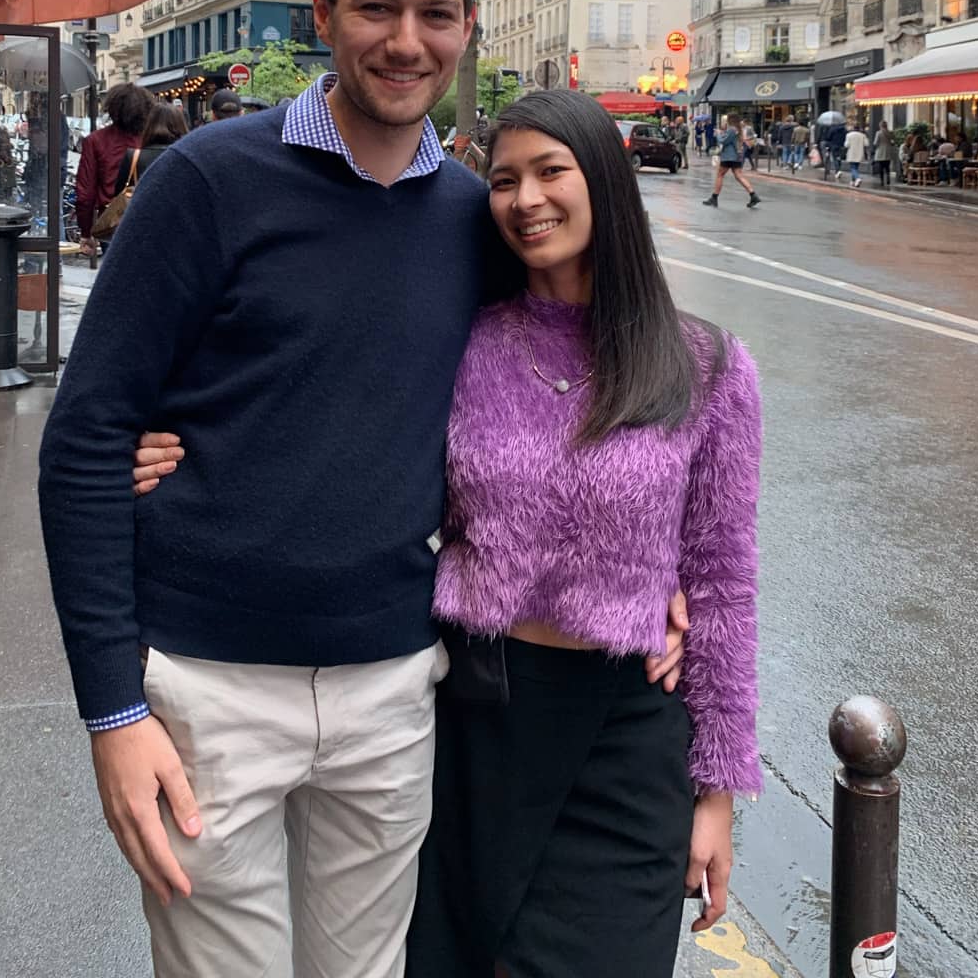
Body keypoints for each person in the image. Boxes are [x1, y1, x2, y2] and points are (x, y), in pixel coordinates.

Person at [39, 0, 694, 978]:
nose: (406, 40)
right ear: (323, 12)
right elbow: (86, 439)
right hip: (208, 683)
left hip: (394, 681)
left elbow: (579, 393)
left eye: (435, 13)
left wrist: (649, 559)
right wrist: (112, 708)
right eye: (377, 8)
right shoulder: (208, 183)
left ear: (467, 28)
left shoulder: (476, 218)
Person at [134, 92, 761, 978]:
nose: (525, 198)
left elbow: (726, 583)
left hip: (624, 734)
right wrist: (161, 436)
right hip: (475, 716)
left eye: (552, 171)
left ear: (606, 182)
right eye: (503, 179)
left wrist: (718, 792)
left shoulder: (708, 367)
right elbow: (335, 419)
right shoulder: (467, 340)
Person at [74, 83, 152, 251]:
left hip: (113, 222)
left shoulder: (95, 141)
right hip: (149, 221)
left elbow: (85, 194)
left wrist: (86, 232)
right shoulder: (151, 140)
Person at [113, 102, 188, 190]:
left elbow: (118, 190)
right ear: (181, 125)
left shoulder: (133, 156)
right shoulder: (187, 157)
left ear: (149, 125)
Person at [702, 115, 760, 209]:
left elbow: (723, 141)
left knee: (720, 175)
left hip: (729, 156)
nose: (726, 122)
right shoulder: (738, 129)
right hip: (737, 156)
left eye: (727, 120)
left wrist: (718, 134)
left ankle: (714, 198)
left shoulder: (732, 130)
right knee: (739, 175)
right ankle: (753, 195)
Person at [872, 121, 893, 189]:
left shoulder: (878, 133)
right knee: (887, 167)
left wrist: (875, 146)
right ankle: (888, 178)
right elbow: (892, 141)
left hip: (880, 152)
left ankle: (882, 181)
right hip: (888, 151)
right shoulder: (889, 132)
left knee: (881, 167)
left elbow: (875, 143)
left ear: (880, 126)